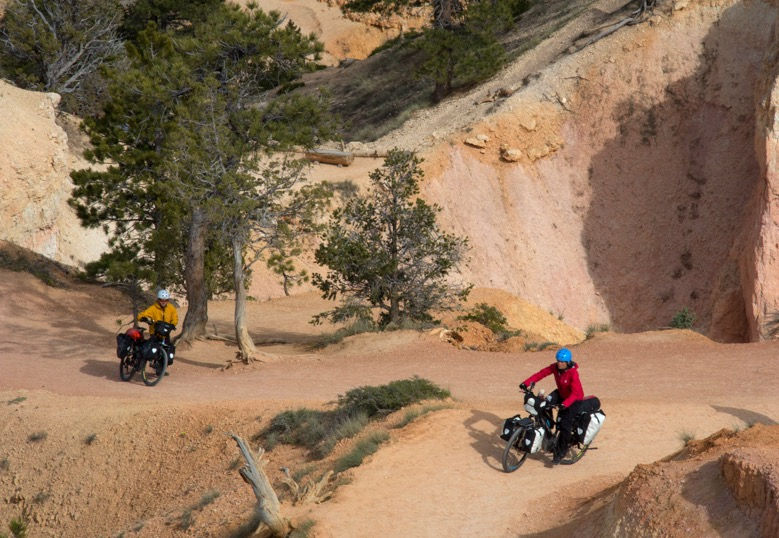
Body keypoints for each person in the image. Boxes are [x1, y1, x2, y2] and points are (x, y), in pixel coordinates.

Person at [520, 347, 592, 464]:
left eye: (562, 362)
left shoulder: (573, 373)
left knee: (565, 425)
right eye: (558, 361)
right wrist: (526, 383)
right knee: (543, 405)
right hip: (561, 393)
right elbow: (541, 374)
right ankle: (549, 426)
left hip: (574, 399)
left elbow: (575, 393)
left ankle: (561, 452)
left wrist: (564, 404)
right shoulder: (555, 367)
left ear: (568, 362)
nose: (559, 363)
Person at [138, 289, 179, 369]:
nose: (163, 302)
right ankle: (143, 363)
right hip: (154, 332)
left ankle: (161, 368)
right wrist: (144, 318)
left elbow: (175, 318)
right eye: (161, 300)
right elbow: (142, 315)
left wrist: (173, 324)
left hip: (165, 333)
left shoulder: (171, 308)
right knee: (151, 348)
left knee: (168, 349)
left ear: (168, 300)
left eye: (165, 300)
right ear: (158, 300)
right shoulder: (153, 308)